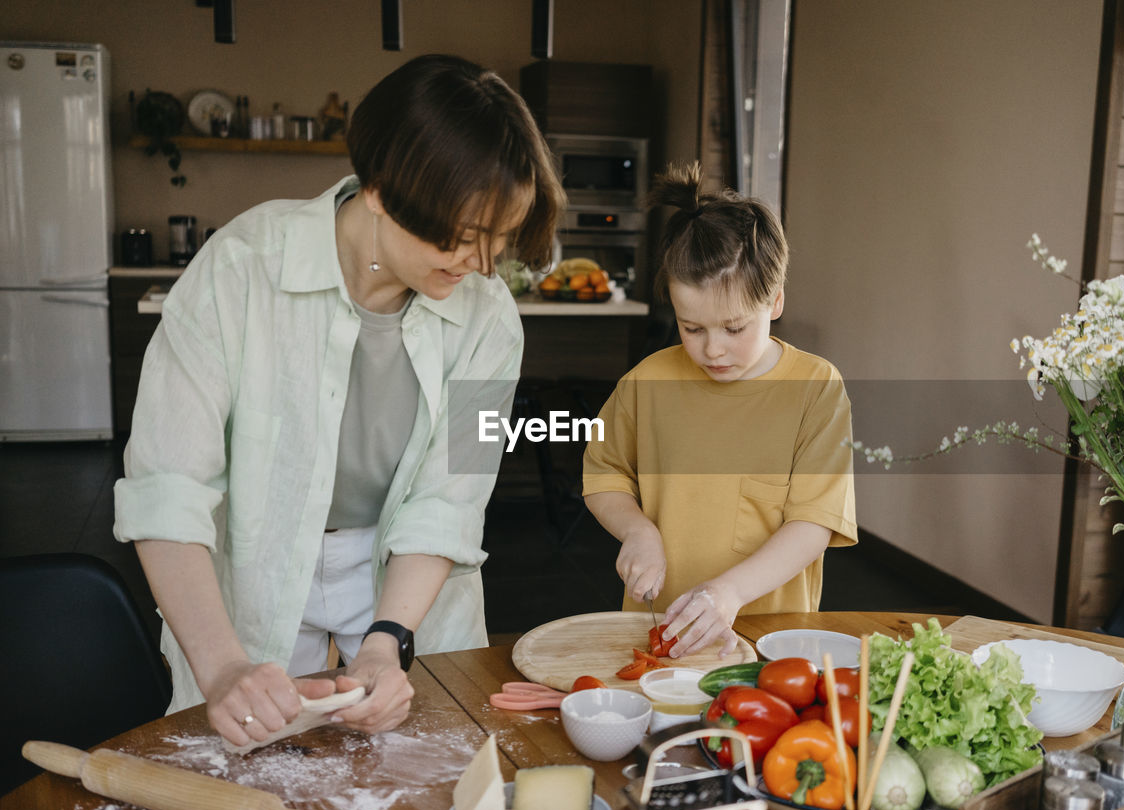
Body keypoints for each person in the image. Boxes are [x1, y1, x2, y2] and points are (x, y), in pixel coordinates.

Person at [114, 55, 564, 749]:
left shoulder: (491, 318)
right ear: (381, 192)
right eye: (464, 236)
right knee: (249, 758)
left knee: (425, 770)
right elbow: (167, 490)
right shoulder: (239, 271)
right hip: (253, 563)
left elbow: (451, 495)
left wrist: (387, 641)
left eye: (499, 243)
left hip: (406, 576)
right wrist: (223, 663)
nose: (480, 265)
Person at [582, 162, 857, 659]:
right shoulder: (646, 382)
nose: (712, 351)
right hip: (660, 635)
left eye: (734, 329)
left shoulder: (816, 388)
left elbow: (814, 525)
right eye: (692, 328)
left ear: (774, 302)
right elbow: (606, 475)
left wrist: (726, 593)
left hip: (770, 639)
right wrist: (636, 529)